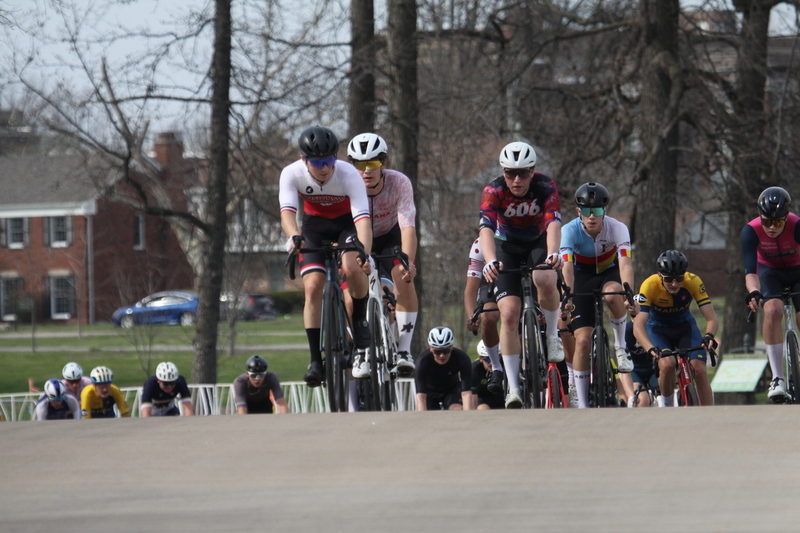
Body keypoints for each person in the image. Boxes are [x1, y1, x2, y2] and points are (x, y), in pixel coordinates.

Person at [280, 125, 373, 387]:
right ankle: (315, 360)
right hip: (314, 226)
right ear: (303, 160)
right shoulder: (291, 174)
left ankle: (359, 320)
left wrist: (364, 251)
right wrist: (293, 236)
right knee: (311, 288)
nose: (324, 168)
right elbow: (287, 211)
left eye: (330, 160)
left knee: (353, 268)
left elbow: (363, 220)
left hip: (347, 225)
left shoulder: (348, 174)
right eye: (317, 162)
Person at [479, 141, 563, 409]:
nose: (516, 180)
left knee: (545, 278)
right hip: (507, 246)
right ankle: (513, 388)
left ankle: (551, 335)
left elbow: (553, 223)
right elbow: (485, 230)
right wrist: (490, 260)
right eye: (510, 173)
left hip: (537, 242)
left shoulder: (545, 186)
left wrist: (552, 253)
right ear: (503, 172)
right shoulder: (493, 190)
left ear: (533, 171)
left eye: (523, 173)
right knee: (509, 313)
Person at [559, 182, 637, 408]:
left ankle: (620, 347)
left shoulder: (617, 228)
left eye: (597, 211)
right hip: (580, 277)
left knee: (614, 294)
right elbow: (567, 269)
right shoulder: (568, 231)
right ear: (578, 212)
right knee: (582, 342)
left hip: (608, 273)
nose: (592, 217)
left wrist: (628, 294)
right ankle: (582, 404)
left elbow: (625, 265)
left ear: (606, 211)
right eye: (586, 211)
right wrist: (568, 296)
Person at [347, 133, 418, 376]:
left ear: (384, 164)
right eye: (359, 165)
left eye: (373, 164)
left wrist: (408, 260)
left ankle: (404, 350)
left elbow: (408, 226)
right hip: (357, 236)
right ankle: (360, 348)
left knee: (402, 276)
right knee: (349, 295)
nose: (366, 171)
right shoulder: (345, 183)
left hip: (390, 236)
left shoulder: (399, 183)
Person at [633, 250, 718, 406]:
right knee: (667, 365)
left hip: (684, 327)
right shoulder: (649, 285)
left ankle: (709, 414)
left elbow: (711, 317)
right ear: (660, 276)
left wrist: (709, 336)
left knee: (699, 369)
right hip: (658, 329)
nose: (674, 284)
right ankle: (666, 405)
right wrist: (650, 348)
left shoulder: (693, 281)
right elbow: (638, 325)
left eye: (679, 279)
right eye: (669, 279)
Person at [742, 186, 800, 401]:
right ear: (759, 217)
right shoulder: (750, 230)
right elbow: (750, 271)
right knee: (773, 310)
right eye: (767, 221)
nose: (772, 227)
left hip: (798, 270)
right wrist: (754, 292)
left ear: (787, 217)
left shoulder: (797, 226)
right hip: (770, 272)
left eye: (778, 222)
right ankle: (778, 378)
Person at [463, 237, 503, 393]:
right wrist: (472, 316)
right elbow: (470, 289)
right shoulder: (480, 244)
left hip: (517, 274)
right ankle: (496, 368)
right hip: (491, 281)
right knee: (488, 317)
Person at [414, 327, 473, 411]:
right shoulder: (422, 361)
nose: (442, 355)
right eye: (437, 351)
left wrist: (468, 418)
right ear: (430, 348)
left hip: (451, 389)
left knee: (456, 409)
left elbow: (466, 393)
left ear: (452, 346)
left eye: (446, 351)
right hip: (429, 390)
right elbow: (421, 396)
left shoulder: (462, 358)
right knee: (428, 414)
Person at [625, 321, 658, 408]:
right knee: (642, 401)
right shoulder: (628, 328)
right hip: (635, 369)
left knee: (660, 396)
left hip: (653, 368)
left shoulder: (652, 326)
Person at [471, 341, 505, 410]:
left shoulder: (505, 365)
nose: (492, 363)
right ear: (480, 358)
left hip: (501, 395)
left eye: (496, 358)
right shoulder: (474, 369)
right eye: (488, 358)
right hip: (482, 397)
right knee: (483, 409)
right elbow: (472, 396)